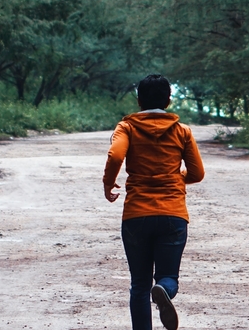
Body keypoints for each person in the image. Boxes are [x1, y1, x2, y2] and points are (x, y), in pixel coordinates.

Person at [102, 74, 205, 330]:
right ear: (168, 100)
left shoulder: (127, 127)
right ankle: (164, 289)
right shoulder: (182, 131)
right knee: (168, 277)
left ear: (139, 100)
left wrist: (108, 183)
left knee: (139, 284)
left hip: (137, 215)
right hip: (173, 215)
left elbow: (116, 155)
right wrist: (176, 176)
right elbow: (197, 174)